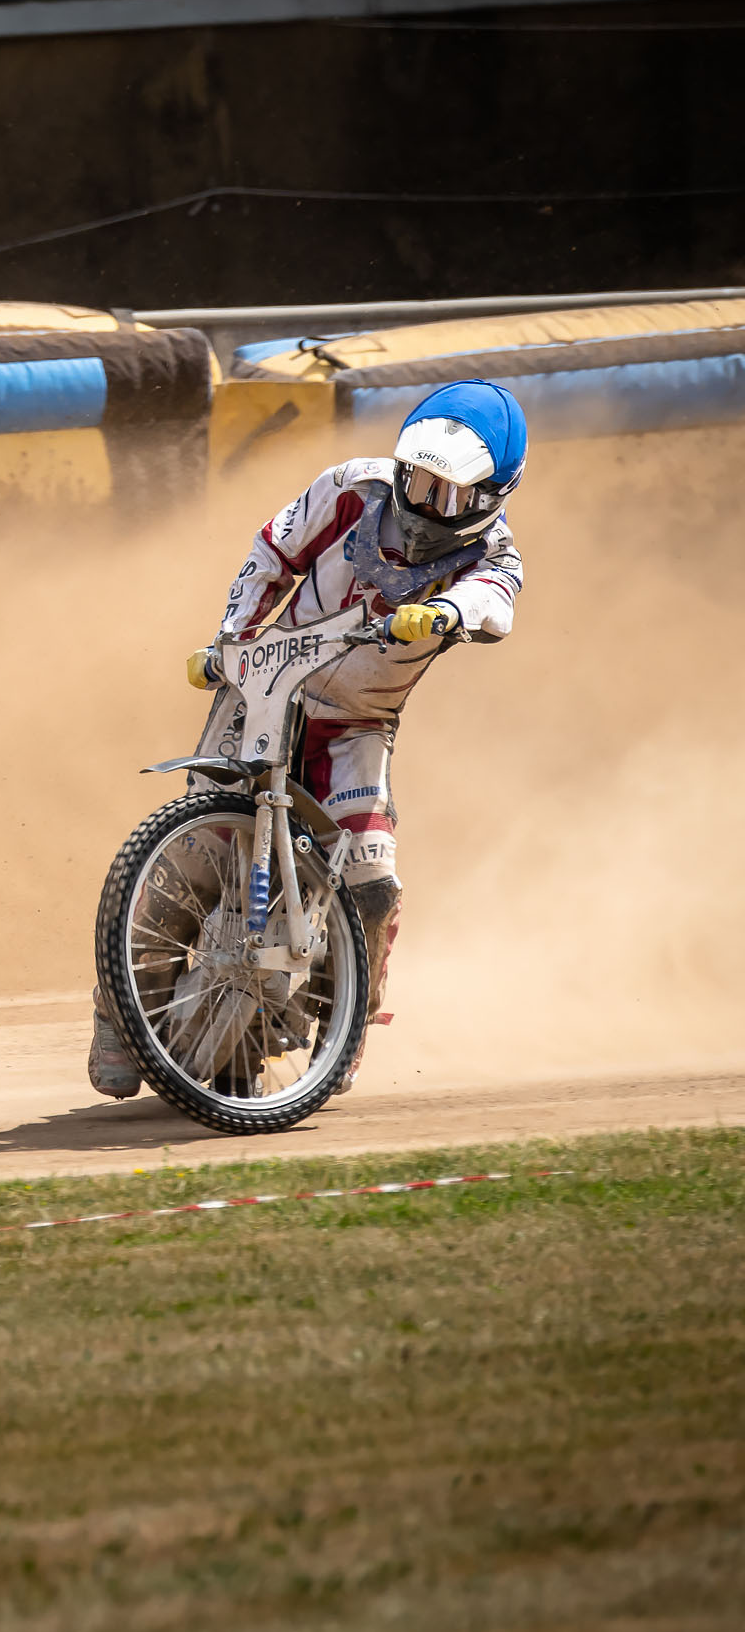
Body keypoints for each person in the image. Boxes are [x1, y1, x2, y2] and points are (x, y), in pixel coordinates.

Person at [88, 380, 529, 1099]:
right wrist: (230, 642)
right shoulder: (352, 487)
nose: (423, 503)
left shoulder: (496, 557)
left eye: (448, 495)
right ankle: (117, 1007)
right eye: (417, 480)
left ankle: (345, 1030)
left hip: (357, 724)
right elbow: (272, 552)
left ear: (491, 496)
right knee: (196, 854)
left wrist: (447, 611)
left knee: (374, 884)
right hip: (266, 688)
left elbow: (494, 604)